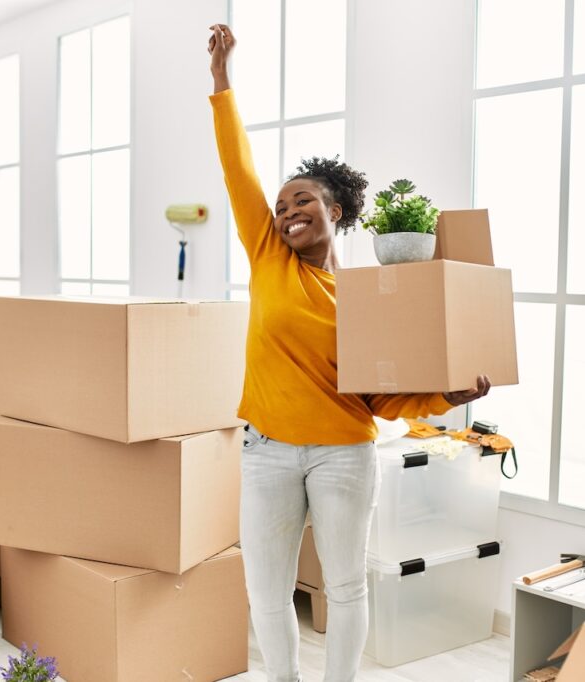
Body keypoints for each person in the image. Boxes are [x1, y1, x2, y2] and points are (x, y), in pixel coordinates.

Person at [207, 23, 492, 682]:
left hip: (344, 453)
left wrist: (448, 399)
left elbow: (385, 397)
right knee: (266, 592)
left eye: (301, 200)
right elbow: (237, 168)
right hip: (266, 451)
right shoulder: (267, 257)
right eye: (280, 206)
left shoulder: (368, 296)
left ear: (336, 210)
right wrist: (222, 82)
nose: (286, 212)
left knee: (346, 589)